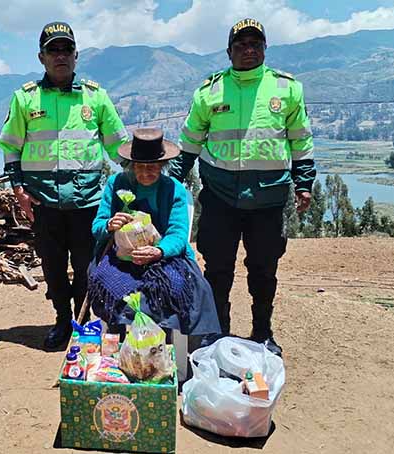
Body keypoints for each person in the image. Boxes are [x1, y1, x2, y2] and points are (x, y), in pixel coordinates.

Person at [169, 18, 316, 356]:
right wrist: (173, 182)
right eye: (241, 45)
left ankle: (263, 333)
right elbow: (190, 142)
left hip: (268, 197)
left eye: (255, 44)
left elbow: (301, 141)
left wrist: (304, 183)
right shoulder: (209, 91)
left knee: (264, 269)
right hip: (220, 196)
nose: (249, 50)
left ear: (264, 48)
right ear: (229, 51)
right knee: (217, 269)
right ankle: (216, 333)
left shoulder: (287, 89)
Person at [0, 21, 128, 348]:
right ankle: (61, 321)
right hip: (43, 203)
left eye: (66, 49)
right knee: (53, 269)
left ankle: (82, 325)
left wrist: (142, 177)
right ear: (41, 57)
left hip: (87, 203)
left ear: (76, 55)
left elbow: (118, 147)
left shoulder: (96, 98)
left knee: (87, 271)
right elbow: (11, 147)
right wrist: (18, 190)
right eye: (52, 50)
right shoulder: (25, 99)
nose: (60, 56)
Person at [88, 128, 221, 340]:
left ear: (162, 166)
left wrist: (159, 251)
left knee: (177, 288)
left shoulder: (173, 188)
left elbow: (178, 234)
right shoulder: (116, 184)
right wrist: (110, 225)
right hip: (121, 257)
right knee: (107, 284)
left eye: (152, 167)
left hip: (165, 259)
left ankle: (167, 343)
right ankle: (118, 340)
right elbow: (97, 226)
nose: (145, 173)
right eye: (139, 167)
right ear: (131, 166)